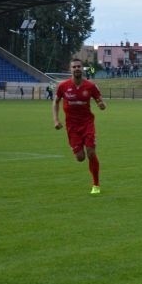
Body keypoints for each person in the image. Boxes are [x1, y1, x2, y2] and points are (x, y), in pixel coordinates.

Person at [52, 59, 107, 194]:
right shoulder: (63, 86)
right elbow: (56, 102)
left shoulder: (91, 86)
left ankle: (96, 185)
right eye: (74, 67)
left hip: (87, 123)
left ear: (82, 69)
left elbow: (101, 102)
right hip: (72, 126)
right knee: (80, 157)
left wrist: (102, 105)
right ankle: (77, 149)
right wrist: (56, 120)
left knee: (91, 152)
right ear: (70, 69)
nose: (77, 68)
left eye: (79, 66)